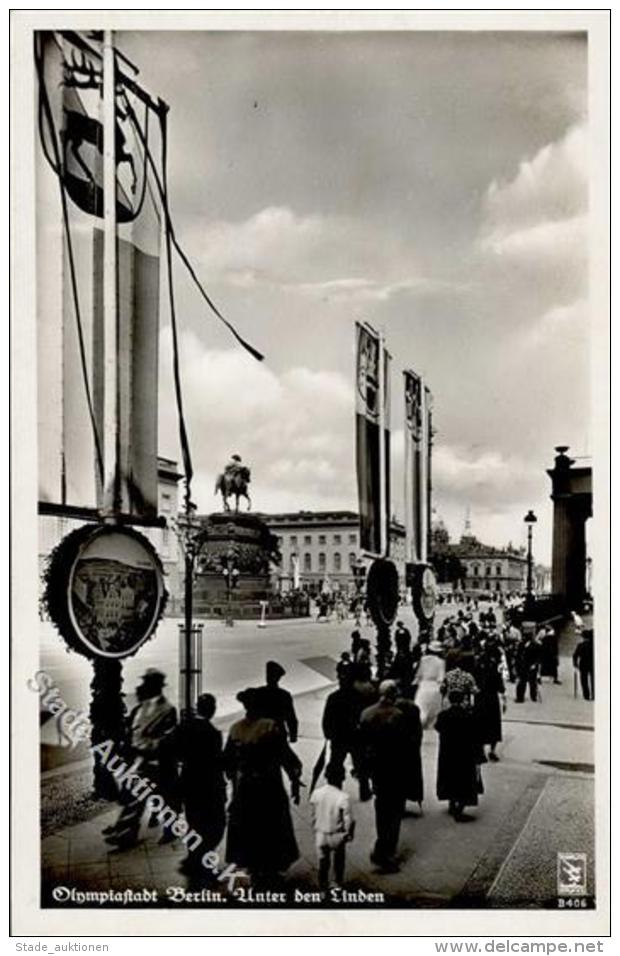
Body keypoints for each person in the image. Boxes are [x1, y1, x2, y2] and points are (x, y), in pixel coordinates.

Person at [224, 688, 302, 883]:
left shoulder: (235, 729)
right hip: (269, 784)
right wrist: (294, 775)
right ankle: (271, 866)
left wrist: (234, 783)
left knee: (249, 825)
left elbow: (228, 763)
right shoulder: (269, 726)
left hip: (246, 786)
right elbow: (283, 754)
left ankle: (253, 865)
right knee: (272, 824)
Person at [103, 669, 177, 849]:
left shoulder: (168, 709)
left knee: (164, 800)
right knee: (133, 797)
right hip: (139, 761)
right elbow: (131, 731)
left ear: (156, 686)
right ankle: (125, 834)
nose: (142, 686)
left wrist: (145, 746)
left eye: (147, 683)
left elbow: (168, 738)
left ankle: (169, 831)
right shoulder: (140, 707)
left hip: (157, 763)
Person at [359, 680, 410, 872]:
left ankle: (382, 846)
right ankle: (386, 851)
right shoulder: (398, 716)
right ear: (393, 694)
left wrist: (363, 769)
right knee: (394, 811)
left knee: (381, 808)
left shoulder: (366, 714)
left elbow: (361, 745)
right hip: (394, 768)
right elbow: (404, 746)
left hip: (376, 769)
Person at [176, 693, 226, 875]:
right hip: (209, 786)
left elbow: (177, 753)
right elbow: (217, 763)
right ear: (212, 710)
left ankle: (194, 858)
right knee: (214, 825)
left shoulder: (184, 728)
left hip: (189, 783)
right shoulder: (213, 734)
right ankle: (203, 861)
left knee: (194, 822)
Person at [322, 670, 372, 801]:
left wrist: (328, 733)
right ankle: (365, 791)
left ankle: (335, 790)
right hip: (357, 737)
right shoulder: (362, 697)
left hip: (339, 737)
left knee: (336, 764)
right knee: (361, 765)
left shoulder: (334, 697)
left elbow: (327, 718)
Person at [435, 689, 483, 821]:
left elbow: (438, 728)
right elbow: (476, 736)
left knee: (449, 777)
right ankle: (459, 809)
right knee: (463, 780)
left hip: (447, 752)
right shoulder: (469, 716)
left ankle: (451, 802)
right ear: (462, 700)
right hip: (464, 753)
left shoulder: (443, 715)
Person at [310, 762, 355, 894]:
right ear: (342, 778)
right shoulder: (343, 797)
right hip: (337, 834)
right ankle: (336, 883)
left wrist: (315, 827)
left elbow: (313, 814)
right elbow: (348, 819)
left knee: (323, 862)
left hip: (321, 834)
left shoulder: (317, 794)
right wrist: (348, 833)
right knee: (338, 860)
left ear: (326, 776)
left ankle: (322, 884)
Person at [474, 645, 506, 762]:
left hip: (480, 697)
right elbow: (499, 684)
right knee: (494, 725)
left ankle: (481, 750)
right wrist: (503, 695)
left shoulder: (478, 663)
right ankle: (492, 750)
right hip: (491, 697)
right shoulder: (494, 666)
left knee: (481, 724)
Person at [254, 660, 298, 742]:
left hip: (260, 732)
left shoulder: (258, 692)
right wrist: (293, 735)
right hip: (278, 731)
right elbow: (291, 718)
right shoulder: (284, 695)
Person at [414, 641, 445, 729]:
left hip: (423, 685)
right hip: (435, 686)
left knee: (421, 708)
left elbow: (418, 675)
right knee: (434, 711)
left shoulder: (423, 660)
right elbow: (441, 677)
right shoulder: (441, 662)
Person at [514, 632, 541, 703]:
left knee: (532, 682)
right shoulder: (521, 644)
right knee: (522, 681)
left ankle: (533, 696)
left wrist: (535, 664)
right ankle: (520, 697)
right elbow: (518, 655)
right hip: (523, 665)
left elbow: (538, 657)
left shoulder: (536, 645)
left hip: (531, 665)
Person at [573, 629, 594, 700]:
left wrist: (575, 664)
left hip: (583, 664)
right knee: (593, 680)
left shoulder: (581, 645)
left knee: (584, 680)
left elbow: (575, 655)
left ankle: (586, 695)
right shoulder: (594, 646)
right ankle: (594, 695)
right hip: (592, 664)